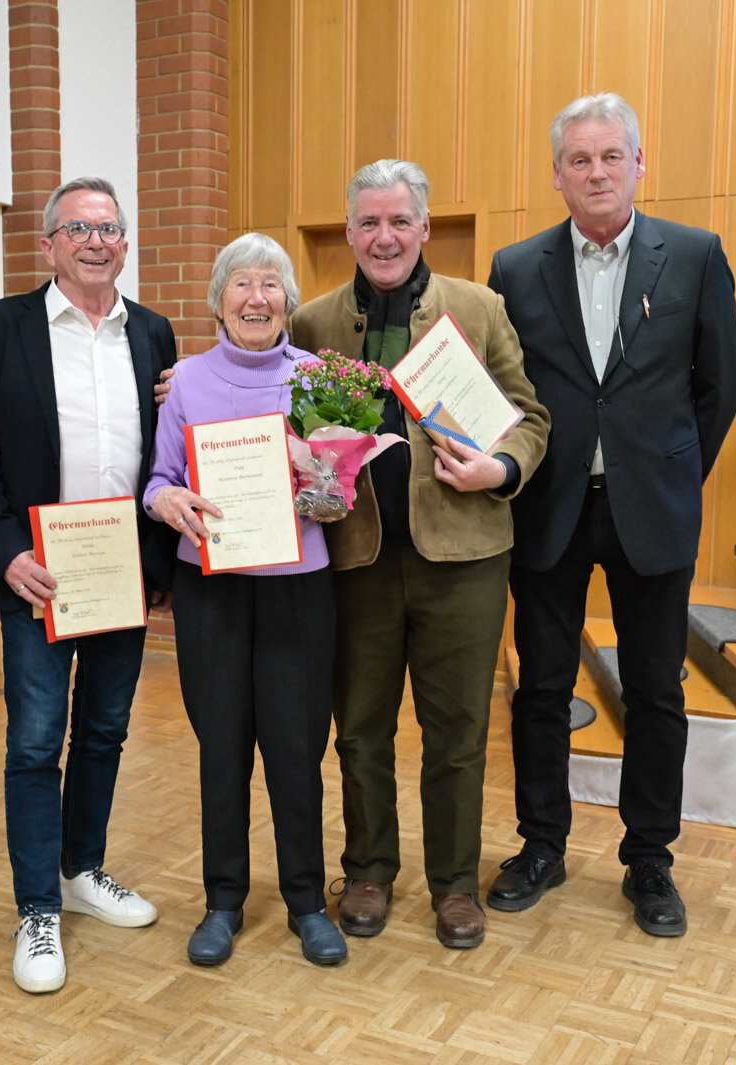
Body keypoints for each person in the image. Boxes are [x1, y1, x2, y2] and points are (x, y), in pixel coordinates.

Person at [485, 92, 736, 937]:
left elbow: (718, 389)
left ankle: (650, 860)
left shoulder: (697, 256)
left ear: (639, 164)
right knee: (541, 689)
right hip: (549, 506)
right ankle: (542, 845)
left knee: (657, 692)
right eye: (579, 159)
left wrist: (670, 472)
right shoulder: (516, 269)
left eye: (610, 156)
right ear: (557, 175)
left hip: (654, 510)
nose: (596, 171)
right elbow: (499, 390)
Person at [289, 160, 550, 949]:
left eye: (400, 221)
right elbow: (281, 417)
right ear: (350, 232)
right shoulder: (313, 321)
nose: (384, 236)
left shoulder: (478, 307)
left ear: (425, 227)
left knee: (459, 730)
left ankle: (455, 885)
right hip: (357, 560)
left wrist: (497, 468)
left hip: (465, 558)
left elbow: (530, 419)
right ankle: (368, 869)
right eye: (368, 222)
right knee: (361, 727)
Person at [0, 177, 178, 993]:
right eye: (77, 228)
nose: (94, 240)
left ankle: (84, 869)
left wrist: (160, 564)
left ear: (124, 243)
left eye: (108, 227)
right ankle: (37, 907)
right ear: (47, 244)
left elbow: (168, 450)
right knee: (35, 741)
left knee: (108, 728)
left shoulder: (152, 333)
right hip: (38, 572)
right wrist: (5, 551)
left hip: (119, 569)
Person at [143, 233, 347, 969]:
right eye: (241, 284)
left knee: (296, 750)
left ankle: (306, 903)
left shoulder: (321, 377)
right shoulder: (186, 381)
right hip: (213, 590)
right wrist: (171, 503)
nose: (256, 297)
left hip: (299, 588)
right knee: (222, 748)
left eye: (270, 284)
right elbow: (157, 479)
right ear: (218, 300)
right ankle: (223, 900)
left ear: (288, 301)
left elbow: (340, 493)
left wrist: (319, 478)